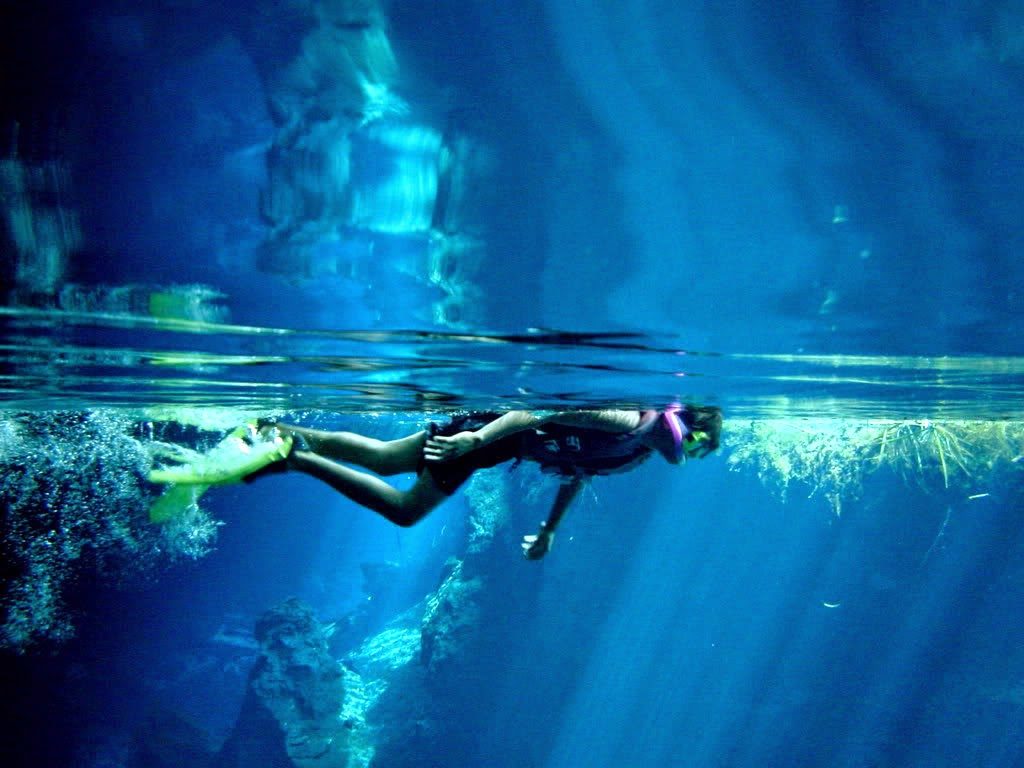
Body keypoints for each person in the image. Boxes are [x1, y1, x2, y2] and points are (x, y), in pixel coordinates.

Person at [249, 406, 722, 560]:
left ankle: (275, 431)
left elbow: (577, 475)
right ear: (689, 429)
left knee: (386, 458)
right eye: (698, 446)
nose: (690, 456)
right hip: (490, 434)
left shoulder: (636, 455)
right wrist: (473, 440)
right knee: (404, 509)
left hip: (492, 442)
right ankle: (294, 457)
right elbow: (536, 412)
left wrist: (551, 529)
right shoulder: (628, 422)